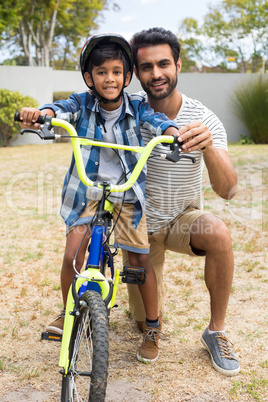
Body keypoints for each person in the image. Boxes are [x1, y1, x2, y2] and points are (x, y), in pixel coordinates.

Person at [19, 33, 179, 362]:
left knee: (139, 260)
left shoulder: (137, 106)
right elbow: (59, 109)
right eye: (102, 71)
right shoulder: (82, 102)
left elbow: (158, 120)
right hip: (88, 190)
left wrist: (173, 134)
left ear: (127, 76)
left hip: (127, 191)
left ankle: (152, 326)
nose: (110, 78)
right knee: (71, 257)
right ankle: (69, 315)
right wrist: (42, 114)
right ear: (89, 77)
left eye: (117, 71)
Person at [123, 27, 240, 376]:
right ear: (136, 73)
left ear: (177, 65)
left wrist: (207, 148)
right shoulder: (129, 114)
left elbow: (229, 189)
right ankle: (147, 319)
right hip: (139, 226)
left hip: (180, 218)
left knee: (218, 232)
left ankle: (216, 330)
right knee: (141, 322)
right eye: (146, 67)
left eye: (163, 64)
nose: (156, 74)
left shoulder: (203, 118)